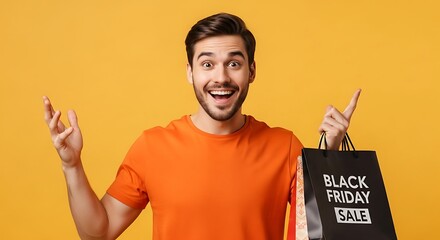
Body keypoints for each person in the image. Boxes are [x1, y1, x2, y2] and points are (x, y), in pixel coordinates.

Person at [43, 13, 360, 240]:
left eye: (233, 63)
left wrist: (328, 159)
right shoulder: (152, 147)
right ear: (190, 72)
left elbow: (319, 228)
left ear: (251, 71)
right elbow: (98, 232)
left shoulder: (285, 147)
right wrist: (71, 166)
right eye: (207, 64)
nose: (220, 77)